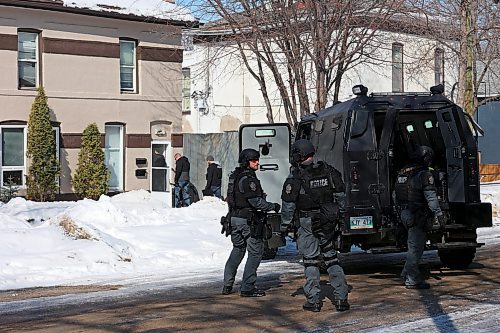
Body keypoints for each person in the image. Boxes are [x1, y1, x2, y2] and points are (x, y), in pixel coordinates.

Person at [280, 139, 350, 312]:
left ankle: (314, 300)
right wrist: (340, 215)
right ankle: (341, 298)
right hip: (327, 221)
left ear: (298, 155)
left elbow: (288, 205)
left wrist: (285, 225)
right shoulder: (328, 171)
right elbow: (341, 194)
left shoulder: (295, 177)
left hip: (307, 223)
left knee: (311, 261)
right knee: (331, 258)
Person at [222, 148, 280, 297]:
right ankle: (247, 287)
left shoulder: (235, 176)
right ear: (247, 162)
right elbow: (255, 202)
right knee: (255, 252)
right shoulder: (249, 179)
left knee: (238, 249)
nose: (257, 163)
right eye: (254, 160)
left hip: (234, 218)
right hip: (247, 220)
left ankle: (227, 285)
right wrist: (272, 206)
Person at [394, 145, 444, 289]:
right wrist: (438, 215)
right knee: (416, 249)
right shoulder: (424, 175)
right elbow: (431, 198)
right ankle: (412, 279)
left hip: (403, 213)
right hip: (416, 215)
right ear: (426, 158)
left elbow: (394, 195)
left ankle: (405, 273)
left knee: (412, 246)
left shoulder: (402, 173)